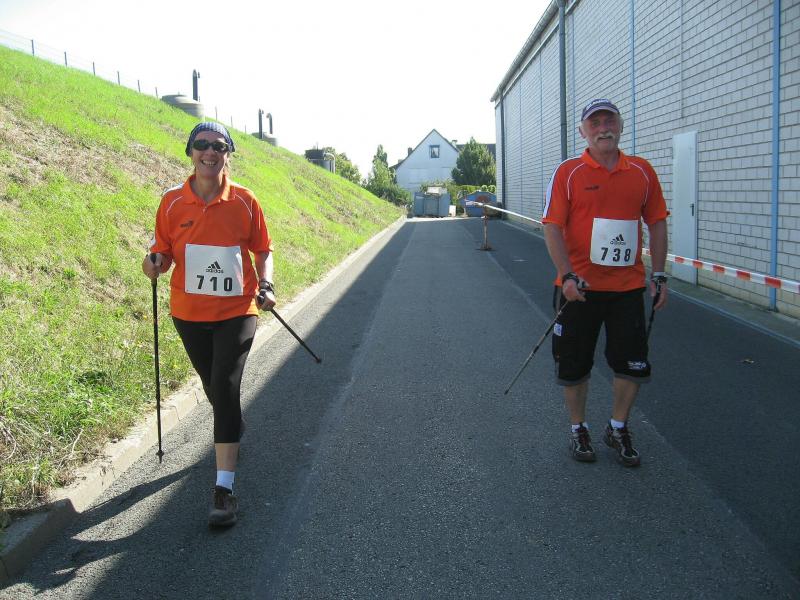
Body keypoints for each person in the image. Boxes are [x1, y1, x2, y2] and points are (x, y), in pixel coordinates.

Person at [142, 122, 276, 526]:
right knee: (213, 386)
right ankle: (232, 423)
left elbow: (263, 249)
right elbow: (162, 251)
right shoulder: (171, 202)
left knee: (226, 384)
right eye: (201, 145)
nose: (209, 152)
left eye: (218, 146)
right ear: (191, 151)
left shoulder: (245, 201)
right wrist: (154, 263)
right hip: (189, 313)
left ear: (227, 154)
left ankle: (224, 490)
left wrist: (266, 284)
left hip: (237, 310)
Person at [542, 98, 668, 467]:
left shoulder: (641, 171)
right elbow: (552, 226)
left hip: (626, 289)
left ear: (621, 126)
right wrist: (567, 274)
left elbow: (657, 222)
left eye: (609, 121)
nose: (603, 129)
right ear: (583, 131)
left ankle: (617, 427)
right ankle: (578, 428)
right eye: (594, 123)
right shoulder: (569, 172)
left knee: (632, 364)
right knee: (573, 364)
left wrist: (659, 274)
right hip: (578, 290)